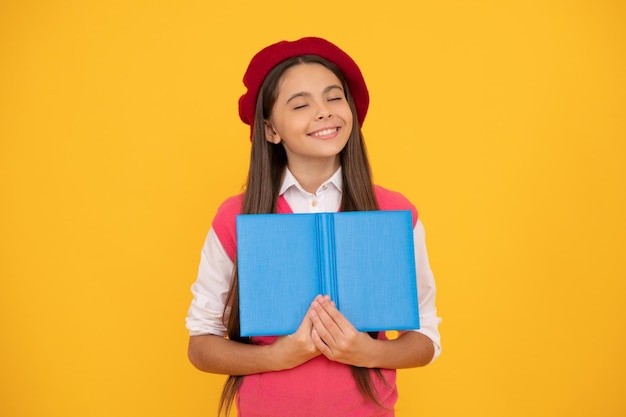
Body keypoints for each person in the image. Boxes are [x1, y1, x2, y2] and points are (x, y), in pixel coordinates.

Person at [186, 37, 442, 417]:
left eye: (334, 97)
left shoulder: (394, 211)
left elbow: (425, 338)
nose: (323, 112)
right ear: (271, 129)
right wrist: (279, 356)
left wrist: (366, 351)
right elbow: (201, 345)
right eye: (301, 104)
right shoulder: (236, 217)